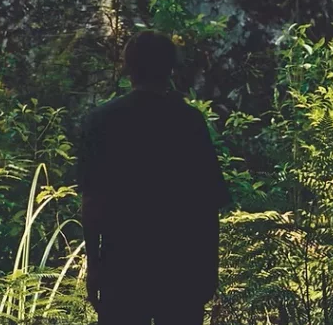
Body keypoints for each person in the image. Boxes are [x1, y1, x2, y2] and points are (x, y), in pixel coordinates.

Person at [78, 30, 230, 325]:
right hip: (179, 267)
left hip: (120, 265)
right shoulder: (189, 121)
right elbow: (207, 203)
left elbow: (92, 201)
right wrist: (209, 267)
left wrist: (94, 266)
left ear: (128, 68)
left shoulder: (100, 121)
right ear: (170, 69)